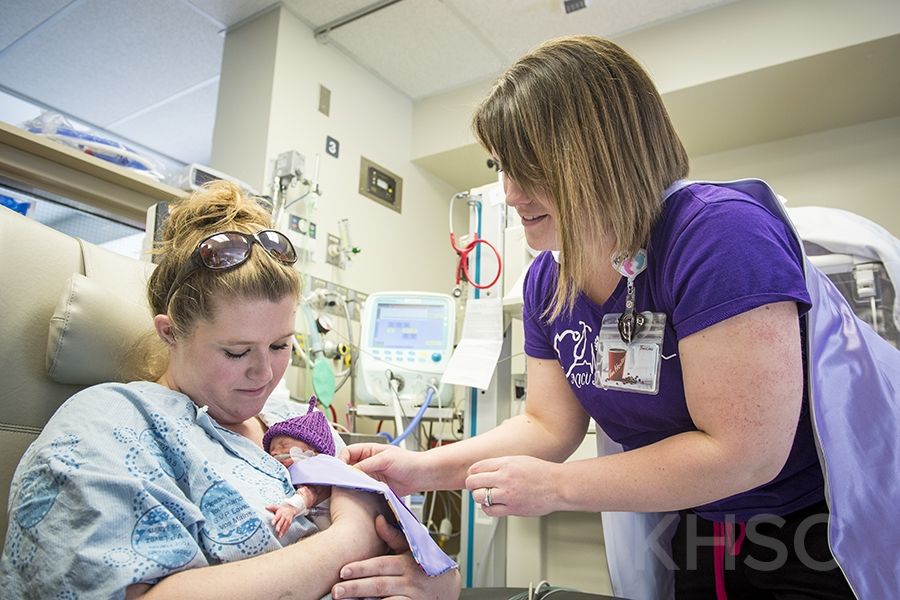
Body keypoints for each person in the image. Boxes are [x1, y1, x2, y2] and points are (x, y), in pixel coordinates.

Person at [342, 35, 899, 600]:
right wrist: (420, 468)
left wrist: (559, 487)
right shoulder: (548, 280)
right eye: (502, 167)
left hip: (817, 526)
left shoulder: (717, 236)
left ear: (596, 154)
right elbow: (546, 426)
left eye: (529, 168)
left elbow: (744, 452)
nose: (509, 193)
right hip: (696, 524)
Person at [0, 180, 459, 600]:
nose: (264, 373)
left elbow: (433, 565)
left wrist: (435, 583)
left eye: (280, 345)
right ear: (170, 332)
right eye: (237, 352)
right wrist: (350, 538)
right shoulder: (108, 426)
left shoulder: (298, 425)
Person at [263, 396, 335, 536]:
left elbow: (309, 493)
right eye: (271, 450)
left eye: (283, 446)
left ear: (313, 452)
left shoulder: (315, 471)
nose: (275, 453)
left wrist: (290, 508)